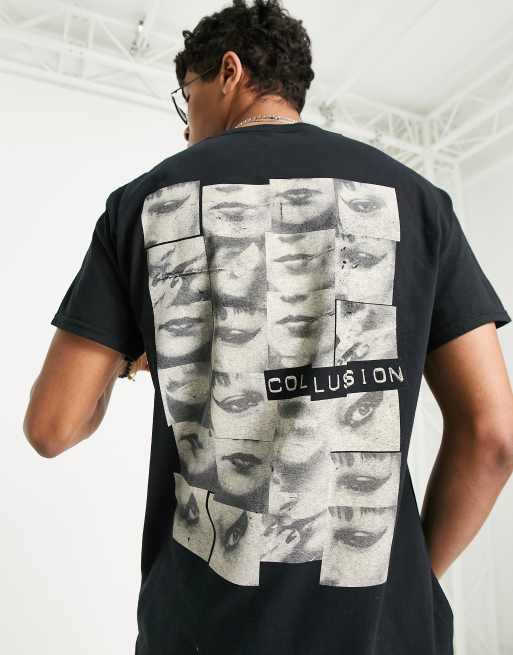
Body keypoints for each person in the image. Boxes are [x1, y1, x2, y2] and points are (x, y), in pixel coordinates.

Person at [22, 1, 513, 653]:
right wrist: (409, 585)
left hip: (202, 630)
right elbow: (493, 438)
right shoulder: (419, 200)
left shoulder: (140, 205)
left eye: (187, 97)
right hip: (382, 631)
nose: (187, 129)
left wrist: (123, 358)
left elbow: (52, 427)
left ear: (228, 72)